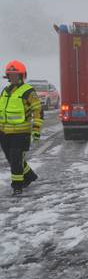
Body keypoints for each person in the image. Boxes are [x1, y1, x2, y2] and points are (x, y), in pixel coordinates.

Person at [0, 60, 42, 195]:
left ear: (21, 75)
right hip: (4, 133)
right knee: (11, 159)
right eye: (10, 75)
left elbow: (38, 111)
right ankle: (30, 176)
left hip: (21, 133)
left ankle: (17, 186)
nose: (12, 77)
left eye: (15, 75)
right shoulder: (5, 91)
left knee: (16, 159)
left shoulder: (28, 91)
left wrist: (36, 130)